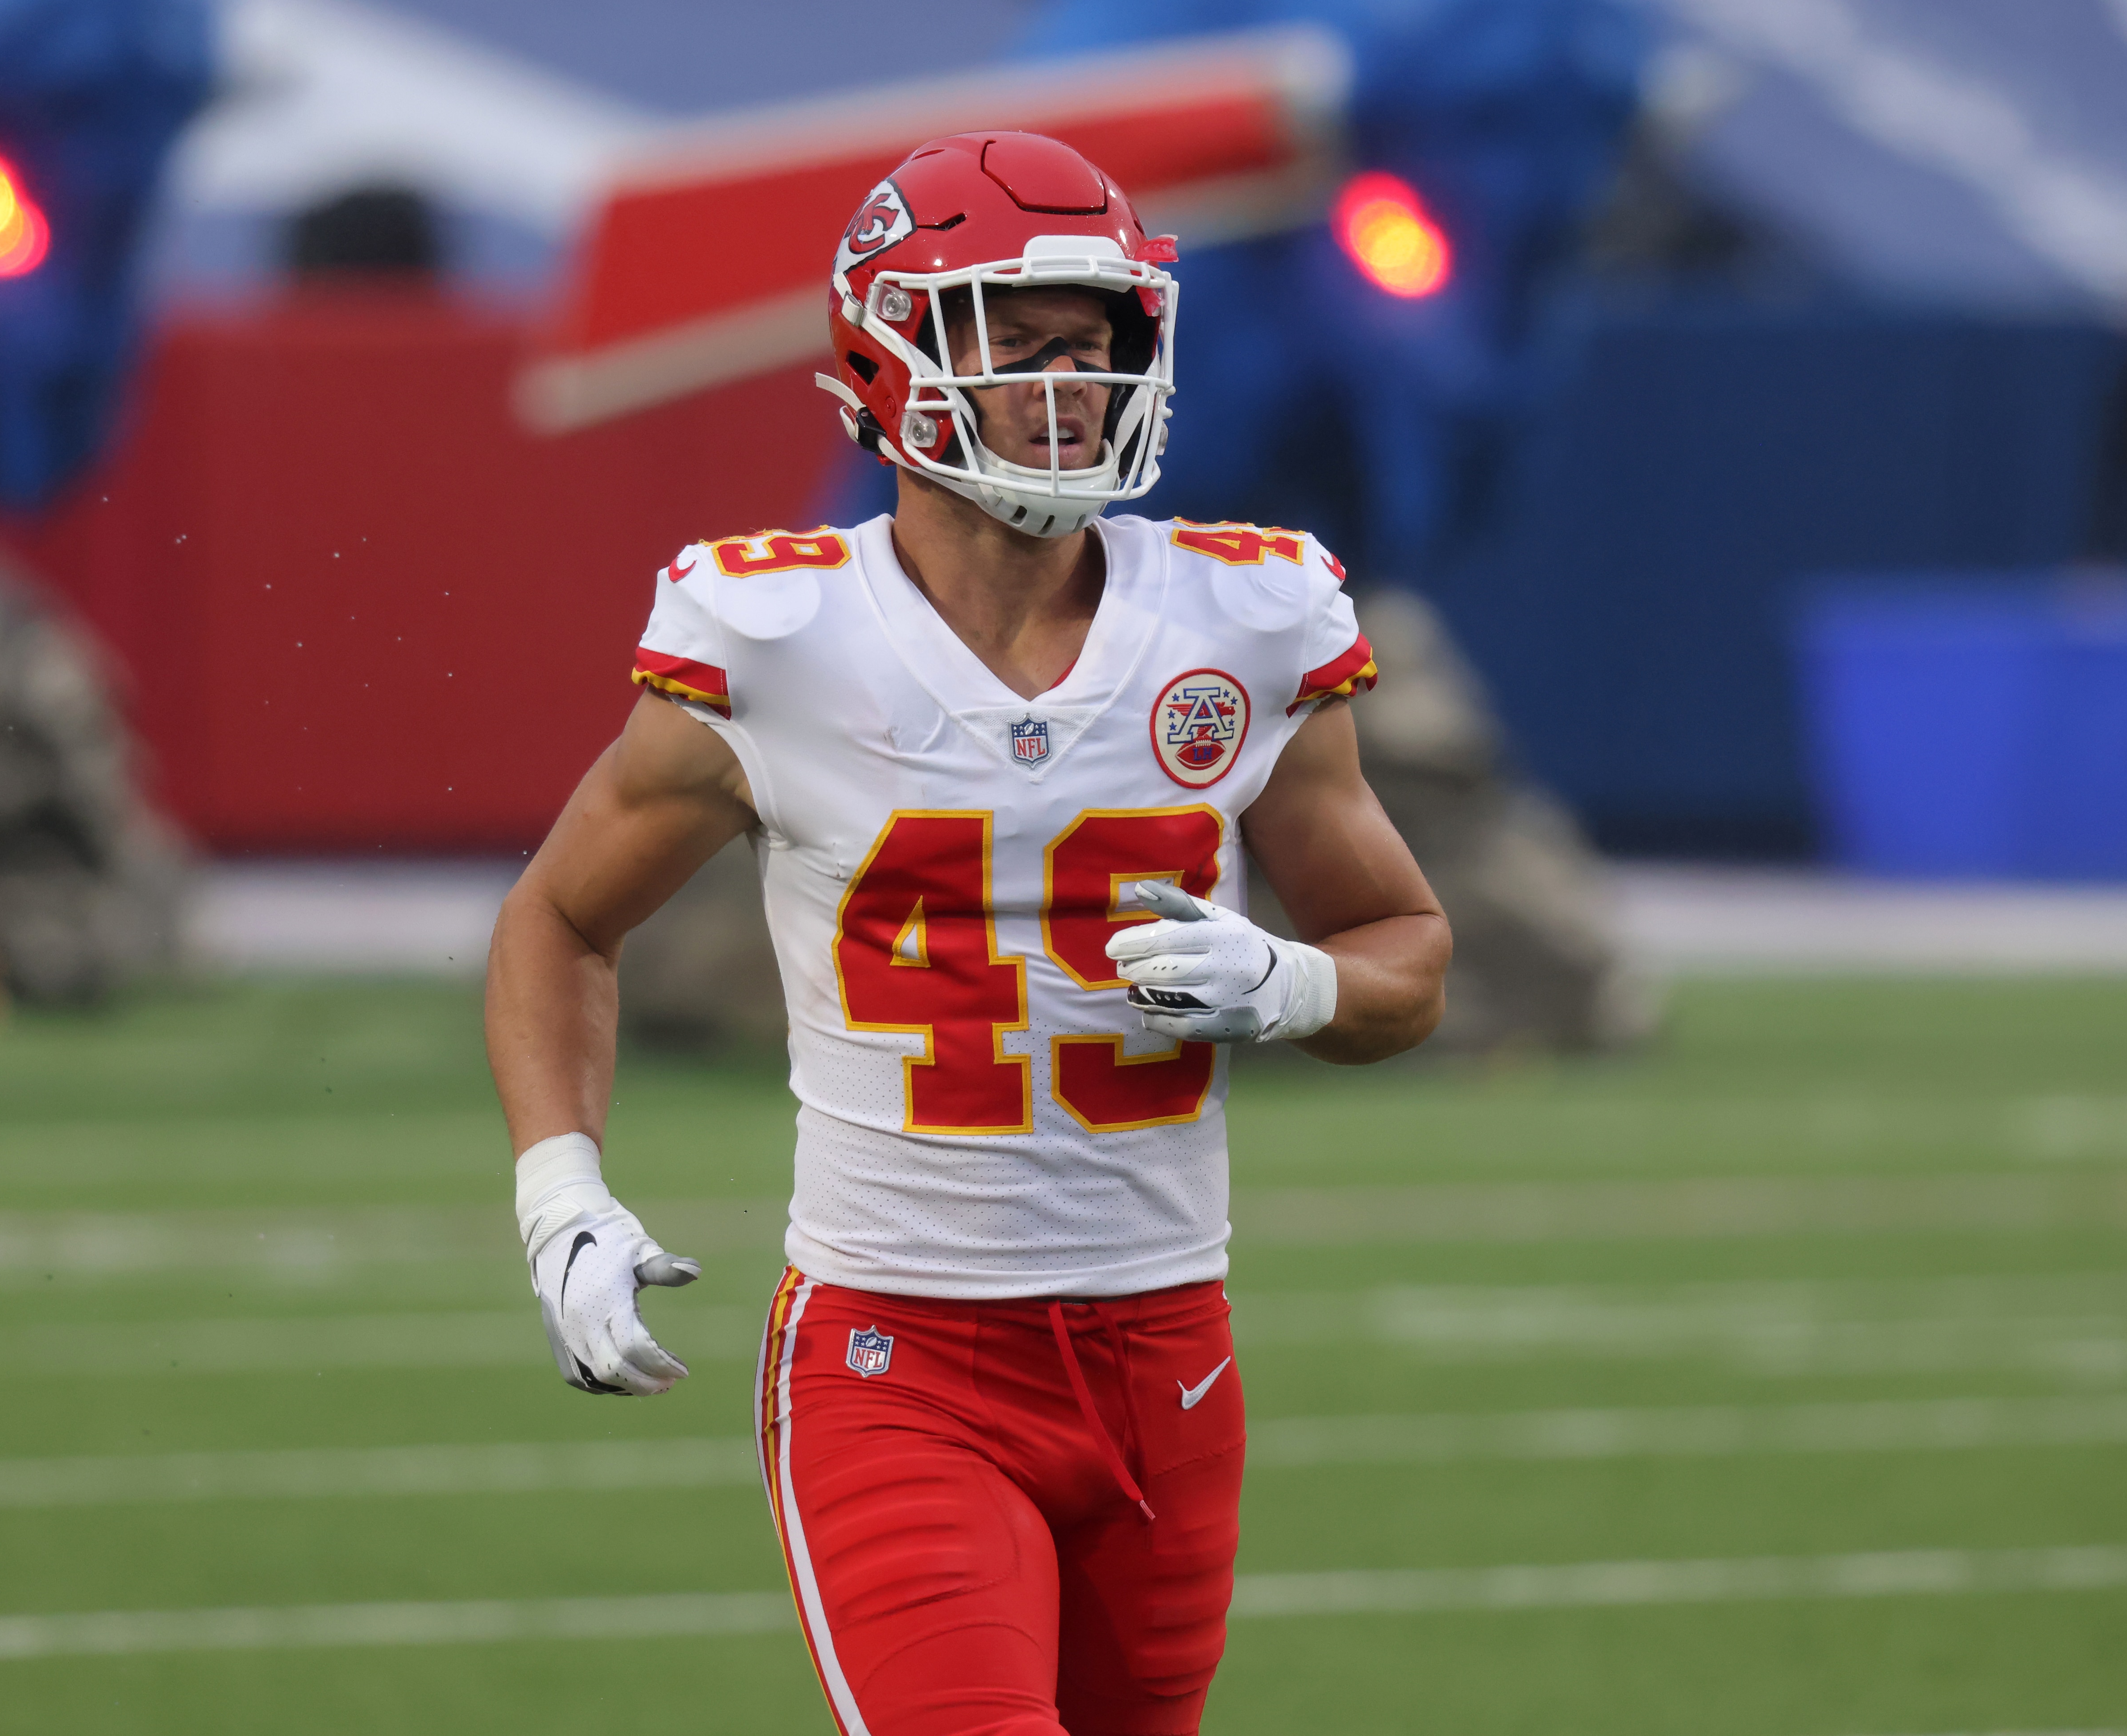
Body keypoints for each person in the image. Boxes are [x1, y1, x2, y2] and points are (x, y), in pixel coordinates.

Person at [486, 131, 1451, 1736]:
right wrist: (559, 1198)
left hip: (1170, 1353)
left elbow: (1406, 946)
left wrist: (1290, 983)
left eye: (1099, 342)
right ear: (888, 351)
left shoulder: (1249, 617)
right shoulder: (779, 637)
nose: (1069, 386)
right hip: (899, 1358)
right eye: (1017, 340)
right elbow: (560, 919)